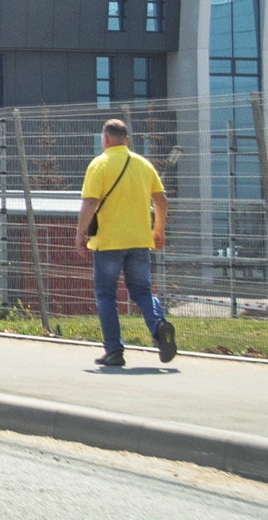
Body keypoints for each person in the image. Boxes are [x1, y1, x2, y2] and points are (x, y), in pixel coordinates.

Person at [76, 118, 176, 367]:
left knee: (106, 295)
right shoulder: (143, 164)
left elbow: (90, 202)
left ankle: (114, 351)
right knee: (142, 290)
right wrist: (158, 231)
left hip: (109, 242)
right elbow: (162, 200)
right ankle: (159, 326)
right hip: (140, 240)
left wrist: (79, 233)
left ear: (106, 139)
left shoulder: (99, 165)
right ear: (127, 140)